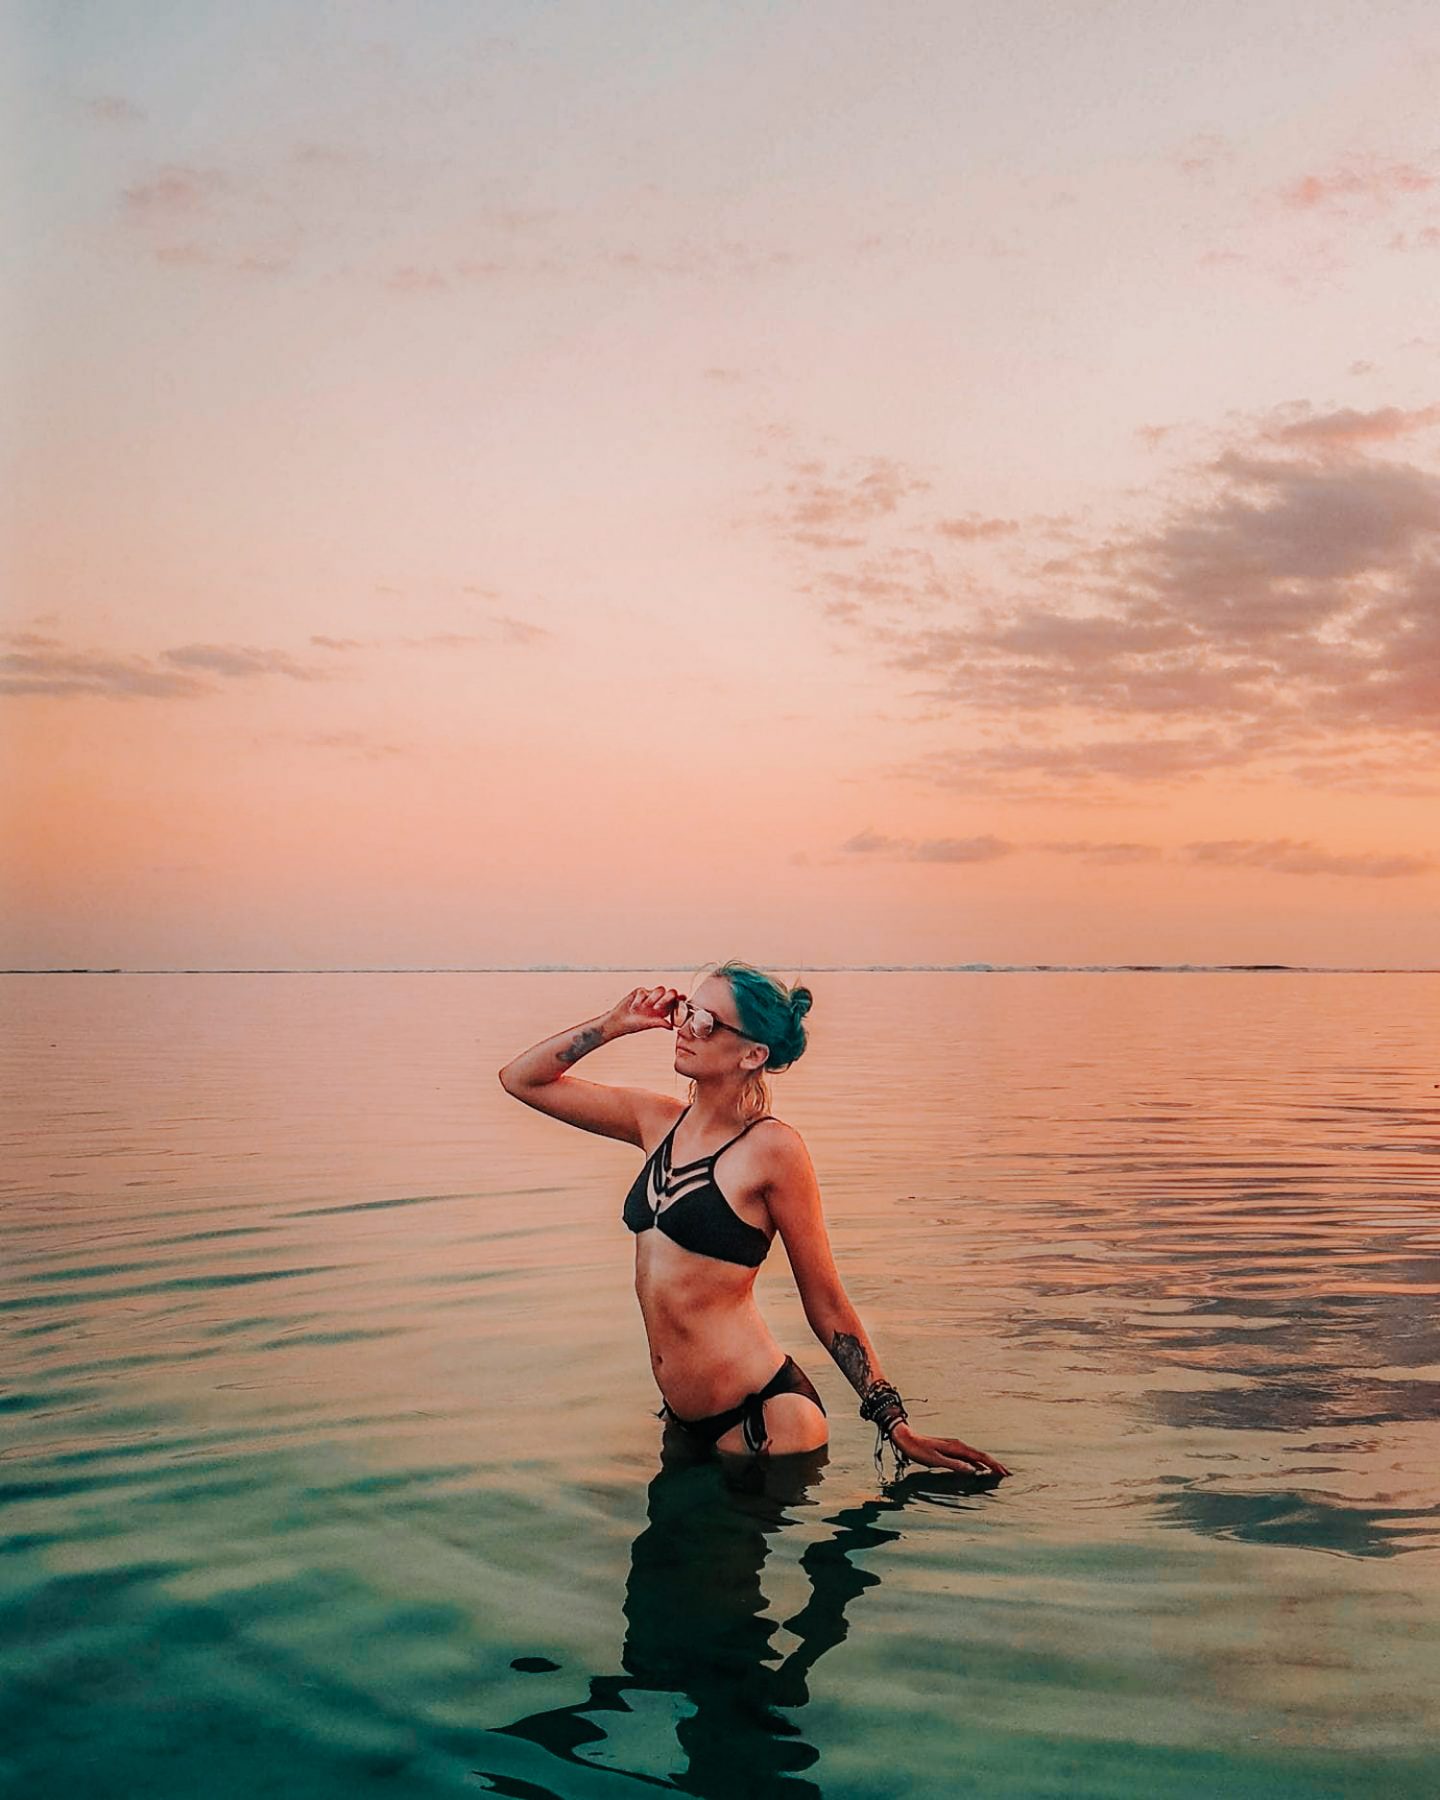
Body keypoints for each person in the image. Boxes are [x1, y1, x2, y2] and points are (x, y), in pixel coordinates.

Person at [498, 959, 1009, 1478]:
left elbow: (826, 1300)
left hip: (765, 1421)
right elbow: (522, 1080)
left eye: (707, 1022)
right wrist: (614, 1023)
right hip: (683, 1418)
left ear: (752, 1054)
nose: (685, 1028)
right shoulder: (653, 1121)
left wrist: (894, 1422)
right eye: (687, 1011)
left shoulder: (773, 1150)